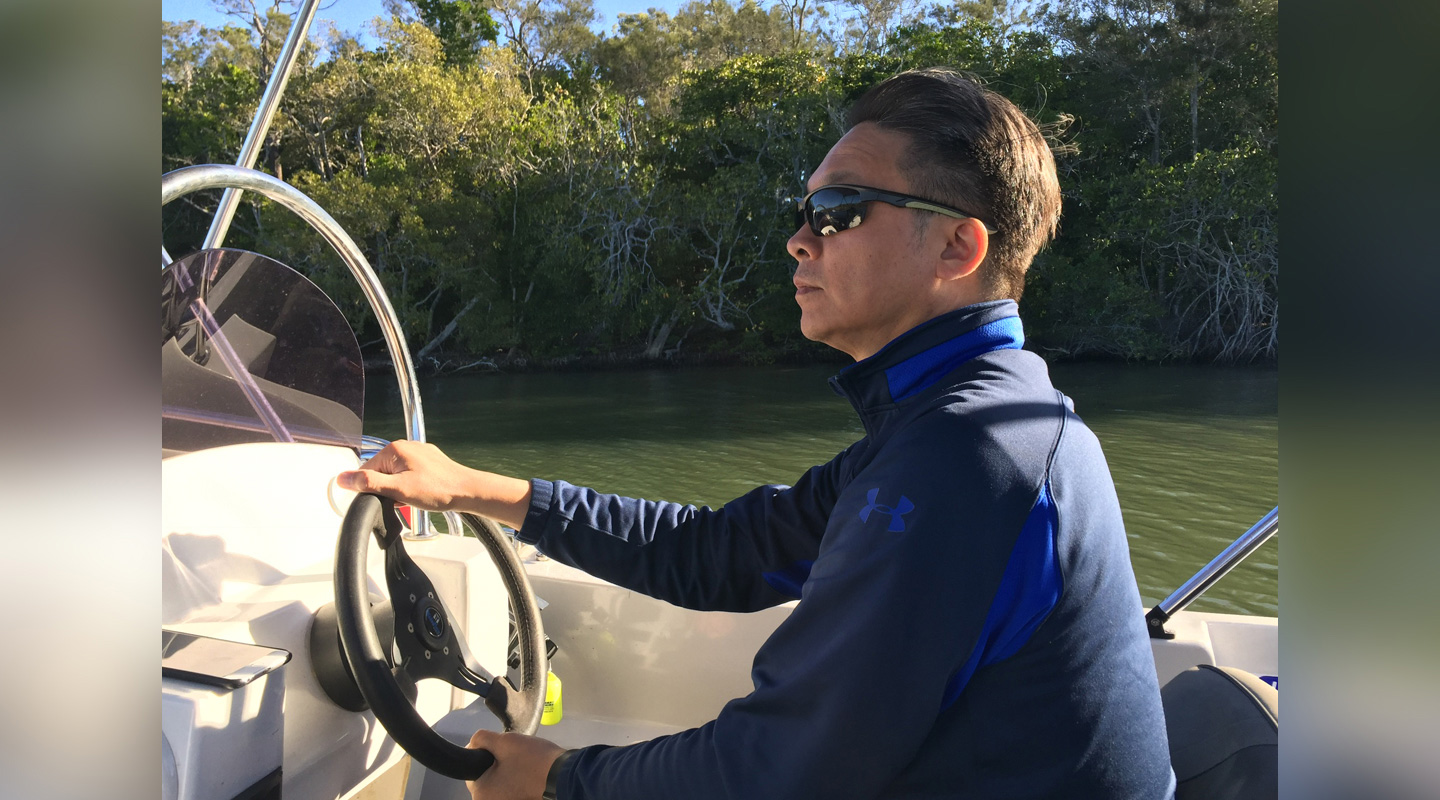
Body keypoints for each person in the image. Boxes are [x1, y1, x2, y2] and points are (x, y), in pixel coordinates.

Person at [339, 67, 1176, 800]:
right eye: (808, 210)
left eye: (840, 211)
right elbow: (722, 554)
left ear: (959, 246)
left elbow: (777, 773)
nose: (799, 238)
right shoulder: (961, 421)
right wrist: (470, 488)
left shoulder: (968, 456)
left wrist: (558, 782)